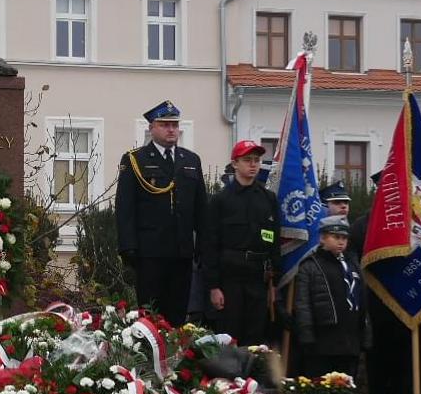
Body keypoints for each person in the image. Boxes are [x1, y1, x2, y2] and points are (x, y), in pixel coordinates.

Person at [115, 100, 206, 327]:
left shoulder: (191, 161)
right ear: (151, 128)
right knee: (151, 317)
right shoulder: (136, 160)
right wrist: (128, 248)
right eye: (164, 124)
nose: (171, 129)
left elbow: (201, 209)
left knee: (177, 316)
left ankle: (174, 360)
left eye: (174, 124)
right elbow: (125, 208)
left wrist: (202, 249)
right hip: (150, 253)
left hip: (182, 253)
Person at [201, 140, 276, 346]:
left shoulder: (268, 199)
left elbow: (273, 241)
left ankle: (252, 378)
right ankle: (231, 379)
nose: (253, 165)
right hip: (230, 279)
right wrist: (214, 286)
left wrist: (273, 284)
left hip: (258, 278)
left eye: (256, 160)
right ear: (235, 164)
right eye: (247, 160)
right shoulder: (221, 201)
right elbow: (210, 245)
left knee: (256, 338)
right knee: (230, 338)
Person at [290, 216, 365, 379]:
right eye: (336, 237)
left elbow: (361, 300)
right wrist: (306, 334)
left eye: (344, 238)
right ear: (323, 238)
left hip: (350, 338)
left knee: (347, 385)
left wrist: (365, 334)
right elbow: (303, 304)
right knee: (322, 385)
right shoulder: (311, 265)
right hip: (323, 340)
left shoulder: (352, 266)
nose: (341, 242)